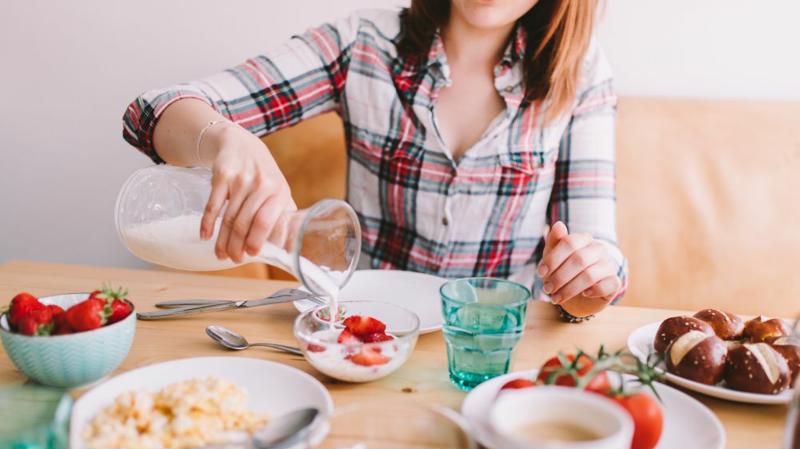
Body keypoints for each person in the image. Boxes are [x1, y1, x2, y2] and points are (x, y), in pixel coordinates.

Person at [122, 0, 627, 321]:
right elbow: (152, 109)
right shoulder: (361, 44)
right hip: (361, 332)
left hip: (498, 350)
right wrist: (227, 140)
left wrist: (587, 277)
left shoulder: (581, 74)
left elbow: (597, 267)